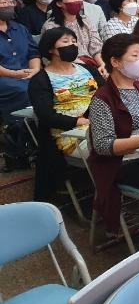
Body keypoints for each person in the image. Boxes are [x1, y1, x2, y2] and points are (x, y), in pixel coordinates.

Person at [87, 34, 139, 233]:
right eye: (135, 56)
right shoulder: (102, 99)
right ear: (115, 62)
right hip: (125, 164)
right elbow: (103, 145)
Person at [30, 27, 103, 199]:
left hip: (100, 124)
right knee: (115, 147)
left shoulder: (88, 70)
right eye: (65, 41)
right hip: (70, 135)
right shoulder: (41, 80)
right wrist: (78, 121)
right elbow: (46, 116)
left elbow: (107, 95)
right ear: (51, 49)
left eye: (74, 41)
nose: (72, 45)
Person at [0, 0, 41, 170]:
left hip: (26, 74)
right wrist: (14, 74)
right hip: (4, 77)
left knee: (46, 85)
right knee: (23, 90)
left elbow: (33, 52)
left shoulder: (20, 28)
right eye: (2, 3)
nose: (7, 6)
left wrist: (35, 70)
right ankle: (18, 144)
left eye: (10, 2)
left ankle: (41, 141)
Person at [41, 0, 104, 72]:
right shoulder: (51, 25)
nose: (77, 1)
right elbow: (49, 56)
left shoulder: (86, 21)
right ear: (59, 3)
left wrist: (102, 65)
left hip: (90, 65)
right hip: (65, 67)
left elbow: (96, 49)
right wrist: (83, 66)